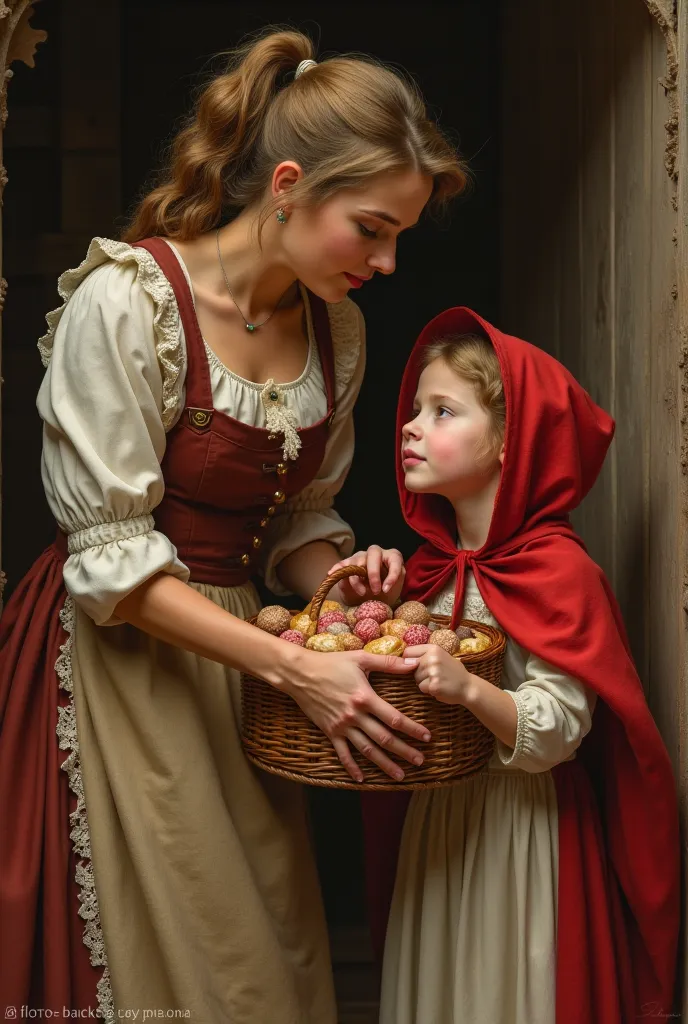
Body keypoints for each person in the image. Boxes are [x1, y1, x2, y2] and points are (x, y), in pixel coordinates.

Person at [0, 28, 467, 1023]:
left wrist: (331, 577)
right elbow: (113, 564)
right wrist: (295, 666)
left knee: (263, 959)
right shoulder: (129, 306)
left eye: (399, 240)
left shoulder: (331, 325)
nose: (385, 263)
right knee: (169, 950)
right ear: (288, 184)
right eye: (371, 228)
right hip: (124, 654)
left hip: (248, 670)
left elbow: (294, 514)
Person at [337, 308, 679, 1023]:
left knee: (504, 994)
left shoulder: (558, 572)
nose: (410, 426)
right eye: (415, 410)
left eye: (443, 411)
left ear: (509, 443)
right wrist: (371, 613)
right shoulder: (428, 574)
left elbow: (560, 728)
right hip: (437, 828)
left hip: (520, 832)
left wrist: (469, 690)